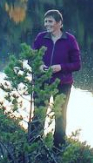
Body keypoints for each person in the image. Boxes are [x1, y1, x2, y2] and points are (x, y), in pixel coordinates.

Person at [31, 9, 81, 151]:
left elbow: (77, 64)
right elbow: (31, 57)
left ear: (59, 23)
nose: (47, 24)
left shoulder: (69, 40)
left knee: (60, 115)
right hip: (42, 82)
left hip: (63, 84)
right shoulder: (41, 38)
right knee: (39, 113)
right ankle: (34, 144)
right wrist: (38, 65)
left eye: (50, 21)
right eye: (45, 21)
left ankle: (58, 148)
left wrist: (61, 67)